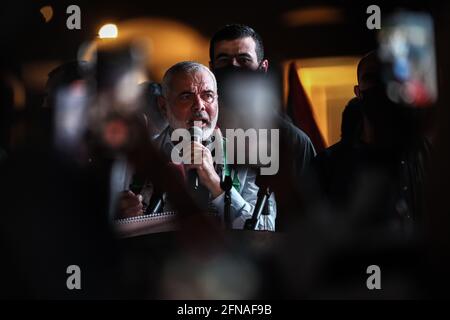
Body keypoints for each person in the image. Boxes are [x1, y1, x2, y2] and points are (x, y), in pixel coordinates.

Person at [119, 61, 276, 231]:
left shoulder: (247, 156)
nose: (199, 105)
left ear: (217, 101)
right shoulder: (136, 158)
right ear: (163, 106)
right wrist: (122, 218)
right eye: (186, 96)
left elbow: (265, 231)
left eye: (207, 95)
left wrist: (216, 184)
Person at [312, 52, 432, 232]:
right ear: (358, 92)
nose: (381, 85)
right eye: (372, 78)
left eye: (387, 75)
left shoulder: (426, 154)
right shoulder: (327, 165)